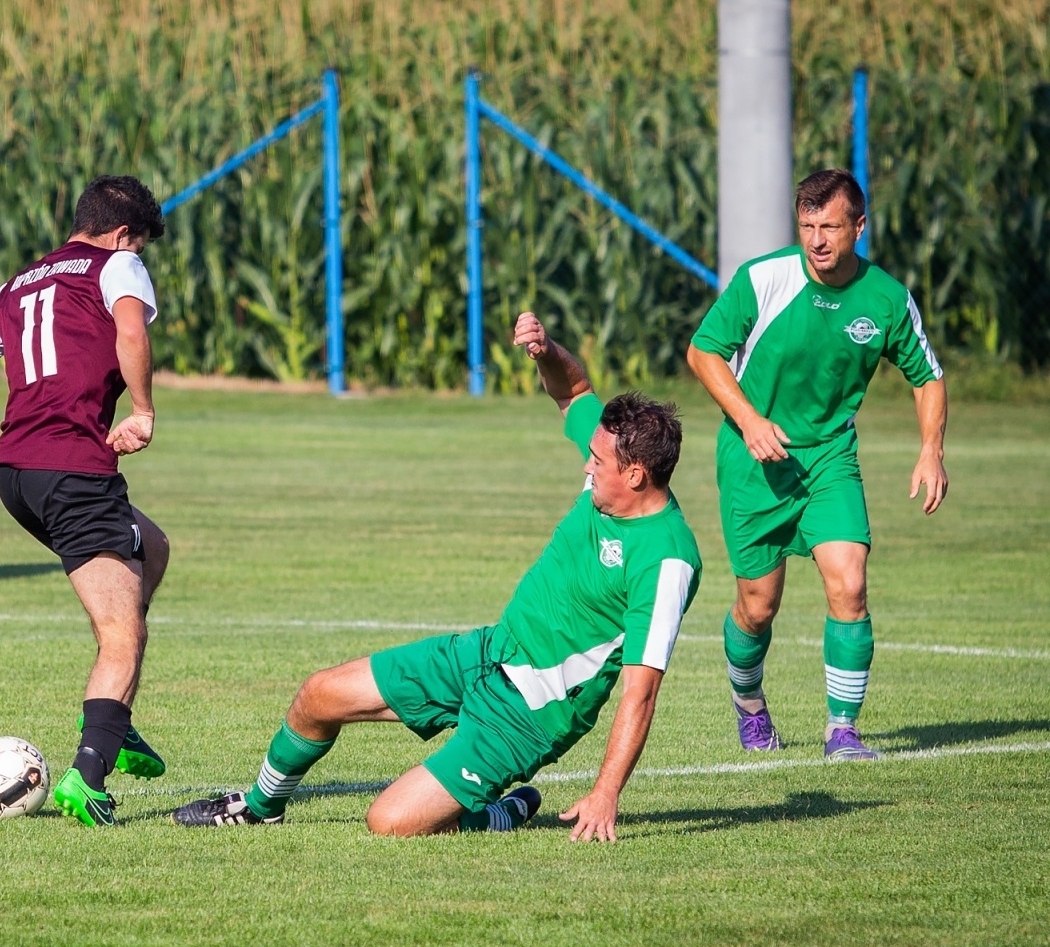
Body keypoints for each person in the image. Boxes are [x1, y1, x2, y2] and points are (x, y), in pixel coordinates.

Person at [172, 314, 702, 841]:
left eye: (597, 461)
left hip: (528, 716)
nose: (587, 467)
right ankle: (262, 806)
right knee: (319, 695)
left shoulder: (667, 561)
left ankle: (498, 813)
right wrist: (546, 352)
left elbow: (641, 692)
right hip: (487, 651)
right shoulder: (611, 475)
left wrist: (606, 792)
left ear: (636, 474)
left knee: (389, 822)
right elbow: (575, 390)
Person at [0, 175, 172, 828]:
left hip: (16, 476)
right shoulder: (119, 265)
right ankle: (88, 779)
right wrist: (143, 410)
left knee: (155, 548)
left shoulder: (17, 286)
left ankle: (114, 723)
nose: (139, 257)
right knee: (122, 631)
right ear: (124, 235)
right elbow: (129, 331)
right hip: (74, 469)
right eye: (141, 245)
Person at [686, 168, 948, 760]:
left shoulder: (885, 299)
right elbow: (703, 352)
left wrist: (931, 448)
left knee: (849, 583)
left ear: (860, 226)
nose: (817, 240)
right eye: (807, 226)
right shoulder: (764, 278)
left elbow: (927, 377)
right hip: (755, 460)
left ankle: (843, 732)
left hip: (830, 458)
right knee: (758, 604)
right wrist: (751, 421)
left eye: (830, 226)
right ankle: (750, 707)